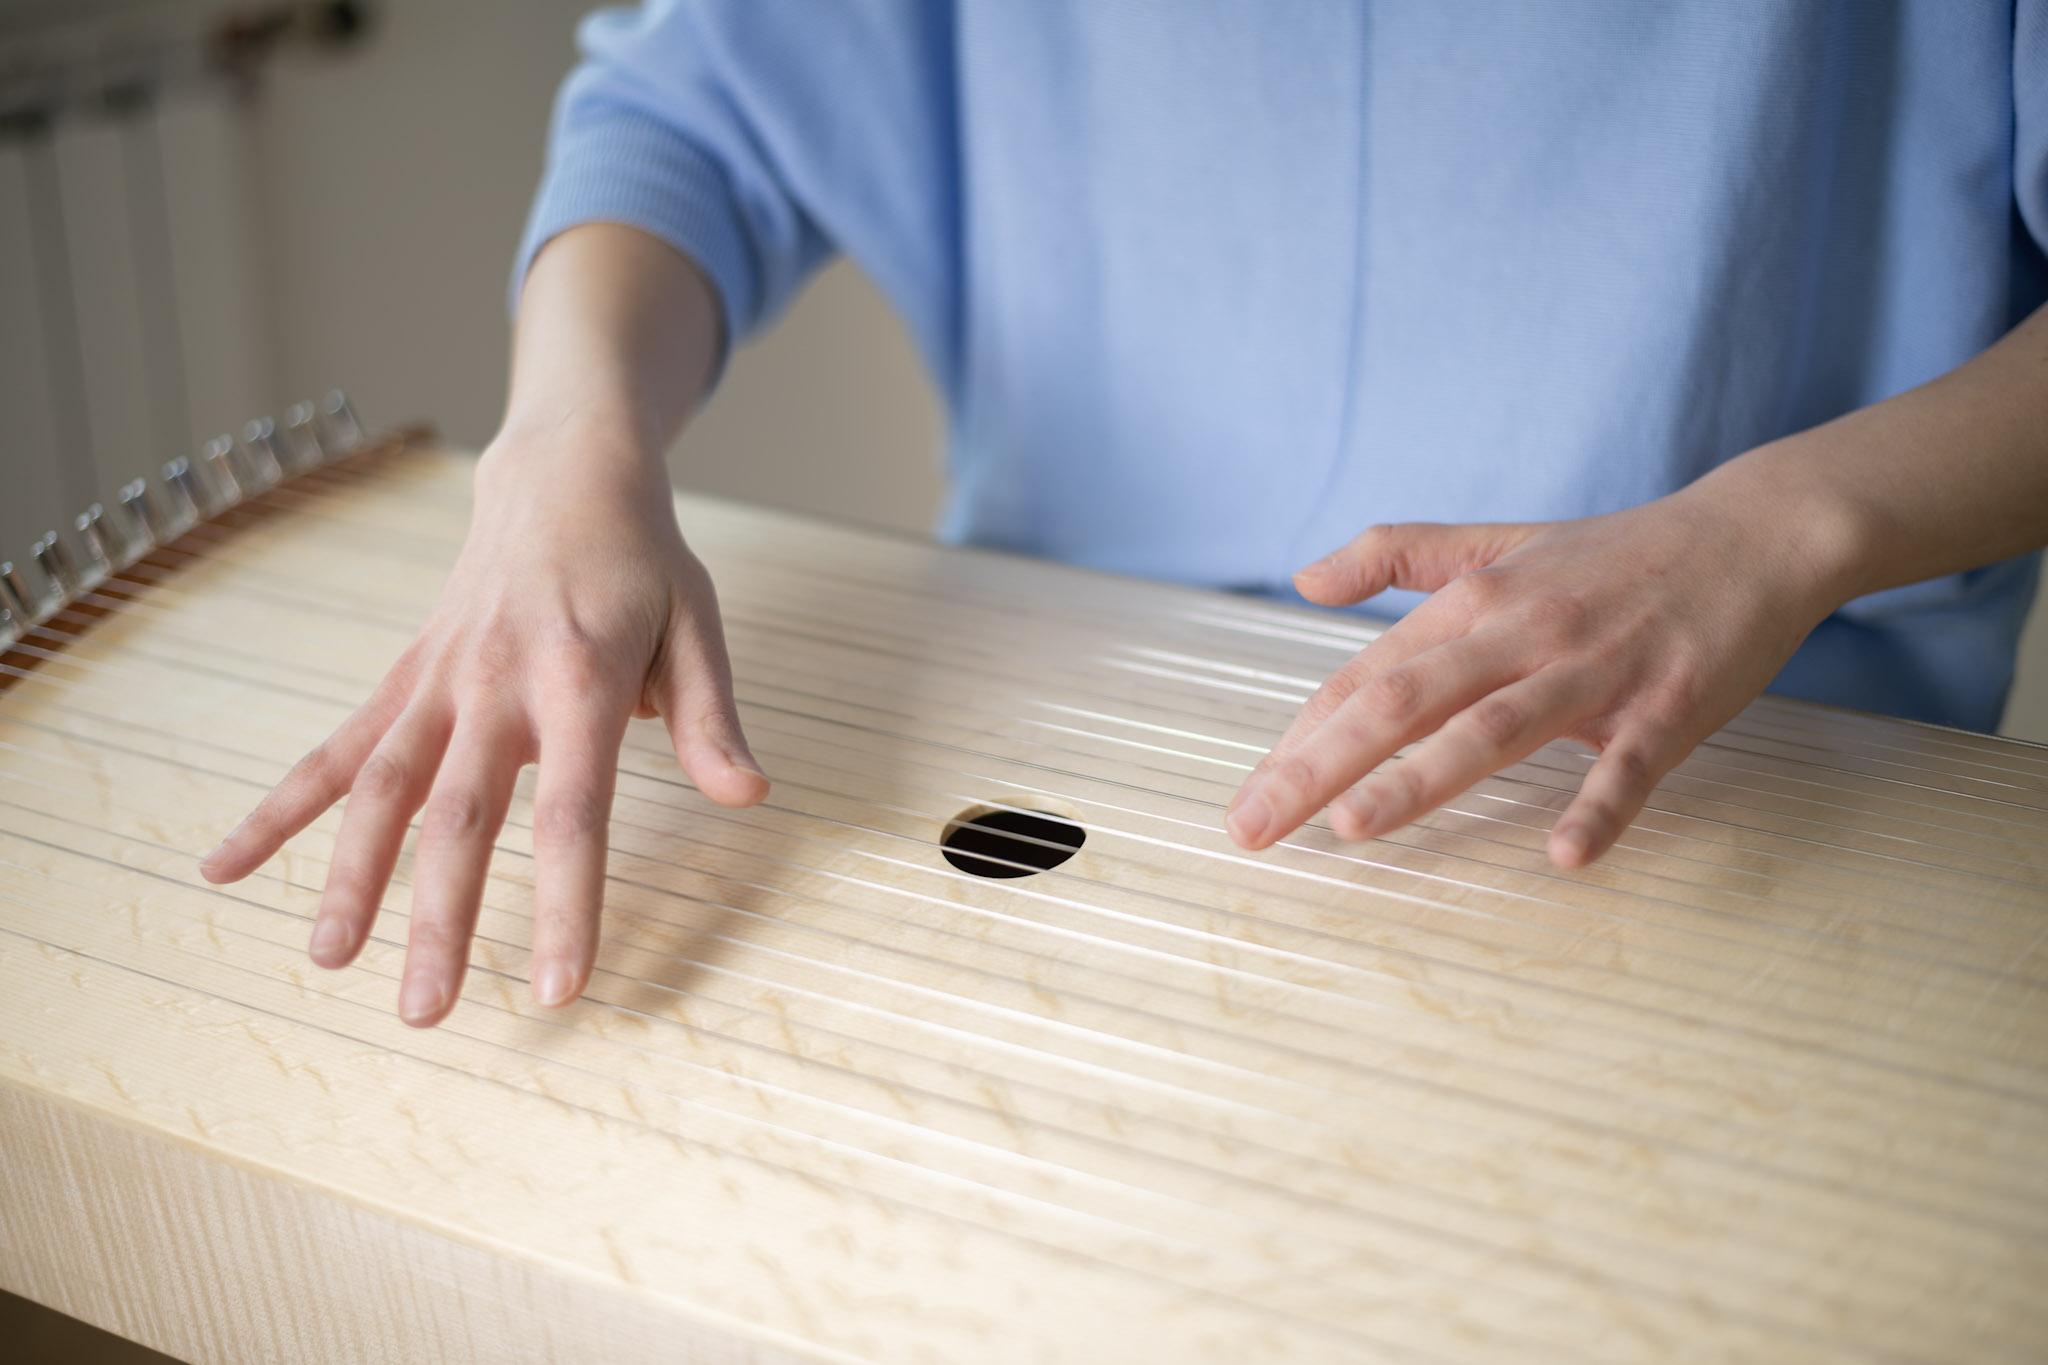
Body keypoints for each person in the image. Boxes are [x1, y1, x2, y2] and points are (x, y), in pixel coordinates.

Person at [203, 1, 2048, 1029]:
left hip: (1740, 767)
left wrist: (1775, 525)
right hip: (1047, 731)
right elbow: (694, 112)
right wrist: (567, 438)